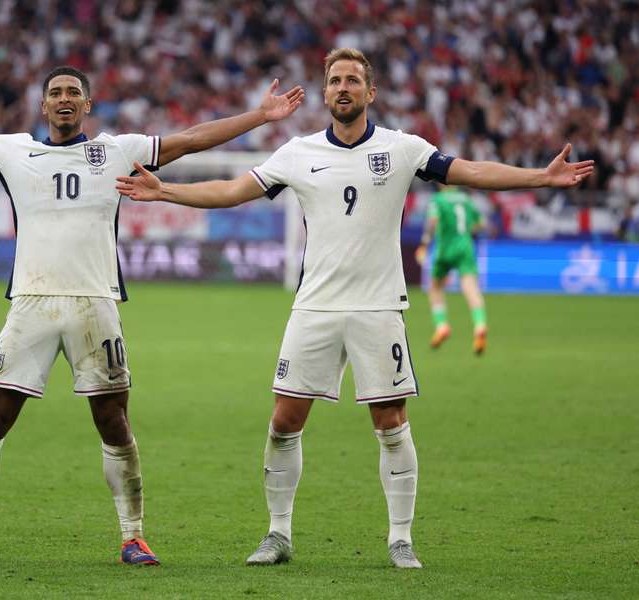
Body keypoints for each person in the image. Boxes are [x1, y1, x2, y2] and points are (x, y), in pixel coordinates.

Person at [116, 47, 593, 569]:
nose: (342, 88)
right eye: (334, 80)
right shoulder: (296, 152)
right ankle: (277, 534)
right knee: (283, 419)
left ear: (371, 93)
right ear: (325, 93)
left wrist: (538, 178)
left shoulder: (403, 148)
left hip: (378, 308)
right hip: (315, 308)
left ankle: (401, 538)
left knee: (390, 421)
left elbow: (467, 171)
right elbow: (233, 189)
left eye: (352, 81)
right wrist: (167, 191)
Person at [0, 59, 304, 565]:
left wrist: (258, 116)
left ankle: (133, 536)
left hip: (95, 304)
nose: (63, 98)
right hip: (31, 305)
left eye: (72, 92)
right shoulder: (15, 150)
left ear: (86, 104)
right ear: (43, 105)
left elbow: (188, 140)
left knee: (113, 420)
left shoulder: (118, 151)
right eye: (55, 91)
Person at [415, 185, 488, 354]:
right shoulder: (466, 199)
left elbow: (432, 222)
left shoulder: (438, 200)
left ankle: (441, 325)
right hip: (465, 247)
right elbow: (481, 224)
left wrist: (424, 245)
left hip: (444, 249)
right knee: (471, 288)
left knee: (435, 287)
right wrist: (463, 231)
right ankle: (480, 325)